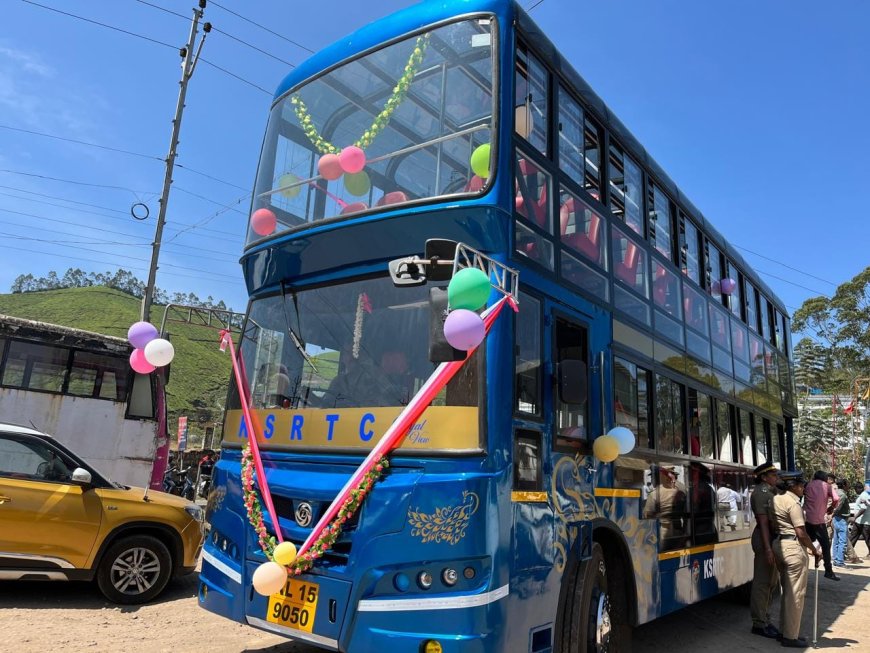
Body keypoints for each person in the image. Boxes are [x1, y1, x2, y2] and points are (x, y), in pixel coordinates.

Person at [771, 472, 823, 648]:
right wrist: (814, 550)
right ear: (793, 485)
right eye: (801, 485)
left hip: (778, 544)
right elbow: (801, 533)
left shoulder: (776, 499)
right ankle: (790, 636)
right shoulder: (793, 503)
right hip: (793, 548)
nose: (803, 488)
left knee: (787, 592)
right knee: (795, 595)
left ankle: (782, 631)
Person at [749, 462, 781, 639]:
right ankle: (759, 623)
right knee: (763, 583)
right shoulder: (761, 494)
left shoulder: (771, 492)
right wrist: (768, 549)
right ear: (763, 477)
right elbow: (763, 523)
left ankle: (765, 619)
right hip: (764, 538)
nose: (776, 477)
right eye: (773, 474)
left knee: (771, 582)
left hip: (770, 537)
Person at [803, 470, 839, 581]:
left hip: (806, 519)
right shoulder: (827, 486)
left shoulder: (808, 485)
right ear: (824, 478)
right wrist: (831, 508)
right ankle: (828, 570)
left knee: (802, 542)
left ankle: (802, 566)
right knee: (825, 545)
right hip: (818, 522)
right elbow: (836, 498)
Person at [643, 464, 688, 549]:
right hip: (678, 532)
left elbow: (647, 515)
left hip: (663, 533)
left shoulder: (655, 494)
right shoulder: (681, 490)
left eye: (653, 477)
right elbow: (686, 513)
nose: (652, 480)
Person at [831, 478, 850, 568]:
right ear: (844, 485)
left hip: (836, 518)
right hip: (841, 519)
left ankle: (835, 559)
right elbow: (838, 507)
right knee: (842, 541)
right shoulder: (842, 494)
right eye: (847, 484)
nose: (848, 486)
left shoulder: (835, 492)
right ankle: (839, 561)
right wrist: (832, 515)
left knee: (836, 540)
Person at [853, 482, 870, 556]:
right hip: (859, 521)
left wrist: (855, 517)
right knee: (852, 537)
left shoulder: (863, 496)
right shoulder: (863, 495)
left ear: (859, 488)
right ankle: (848, 554)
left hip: (864, 522)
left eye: (856, 489)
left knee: (868, 539)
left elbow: (863, 508)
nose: (855, 491)